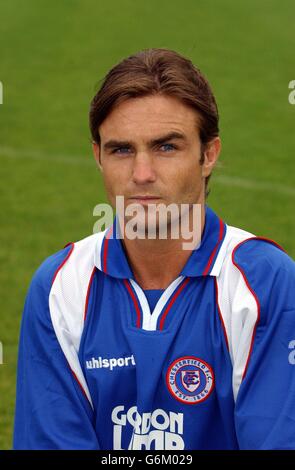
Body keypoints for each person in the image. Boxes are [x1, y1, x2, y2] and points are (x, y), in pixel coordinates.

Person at [14, 48, 295, 450]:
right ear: (98, 157)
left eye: (166, 147)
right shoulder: (60, 288)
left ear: (208, 155)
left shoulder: (266, 285)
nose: (141, 175)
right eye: (121, 149)